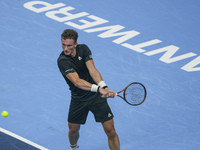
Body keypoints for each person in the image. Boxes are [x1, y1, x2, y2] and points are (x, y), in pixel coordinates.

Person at [57, 29, 120, 150]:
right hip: (78, 99)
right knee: (73, 131)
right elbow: (77, 82)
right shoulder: (62, 61)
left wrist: (104, 87)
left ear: (75, 44)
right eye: (63, 44)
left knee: (111, 131)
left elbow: (92, 70)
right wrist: (99, 89)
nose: (65, 48)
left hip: (96, 97)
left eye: (69, 45)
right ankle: (74, 148)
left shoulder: (84, 49)